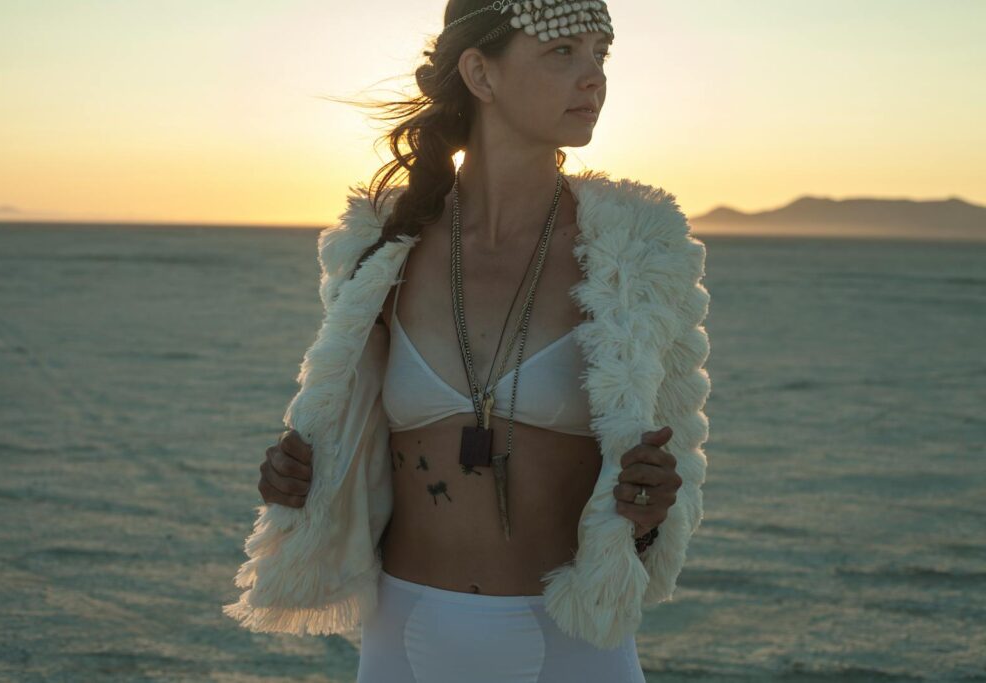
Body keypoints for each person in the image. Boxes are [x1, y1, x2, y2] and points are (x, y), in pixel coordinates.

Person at [226, 1, 712, 680]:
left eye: (601, 55)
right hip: (405, 635)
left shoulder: (637, 252)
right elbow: (344, 421)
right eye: (562, 52)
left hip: (573, 646)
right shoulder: (384, 247)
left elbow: (672, 458)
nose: (594, 78)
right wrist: (302, 474)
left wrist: (653, 508)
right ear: (481, 74)